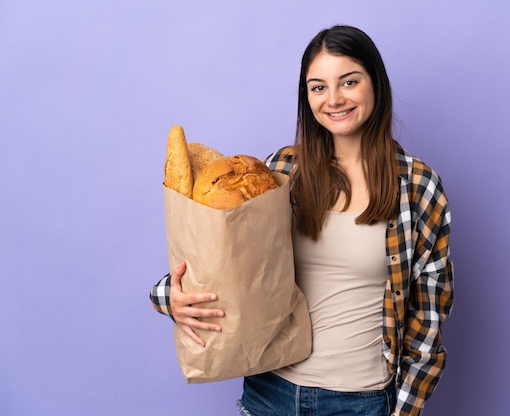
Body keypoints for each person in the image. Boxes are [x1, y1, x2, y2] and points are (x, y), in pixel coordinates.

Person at [150, 25, 454, 416]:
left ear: (375, 84)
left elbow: (429, 314)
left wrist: (403, 411)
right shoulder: (280, 171)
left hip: (359, 402)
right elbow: (220, 265)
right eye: (318, 87)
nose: (334, 99)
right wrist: (169, 298)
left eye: (348, 81)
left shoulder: (417, 187)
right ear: (306, 96)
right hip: (269, 393)